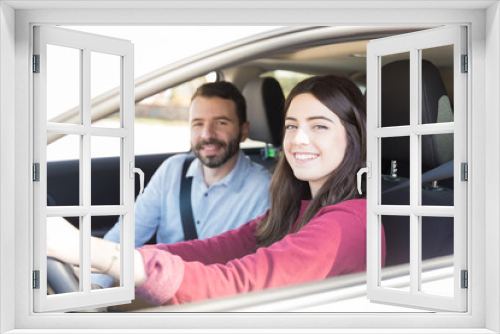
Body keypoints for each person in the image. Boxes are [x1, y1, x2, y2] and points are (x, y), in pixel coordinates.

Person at [47, 75, 386, 306]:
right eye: (291, 126)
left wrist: (97, 255)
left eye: (320, 126)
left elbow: (238, 285)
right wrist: (102, 266)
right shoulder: (294, 209)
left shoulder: (348, 225)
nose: (298, 139)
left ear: (354, 136)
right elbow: (211, 250)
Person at [91, 81, 271, 288]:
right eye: (198, 123)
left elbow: (254, 271)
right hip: (161, 291)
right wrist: (96, 287)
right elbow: (125, 236)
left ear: (243, 130)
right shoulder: (172, 171)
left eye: (221, 123)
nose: (207, 134)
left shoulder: (263, 189)